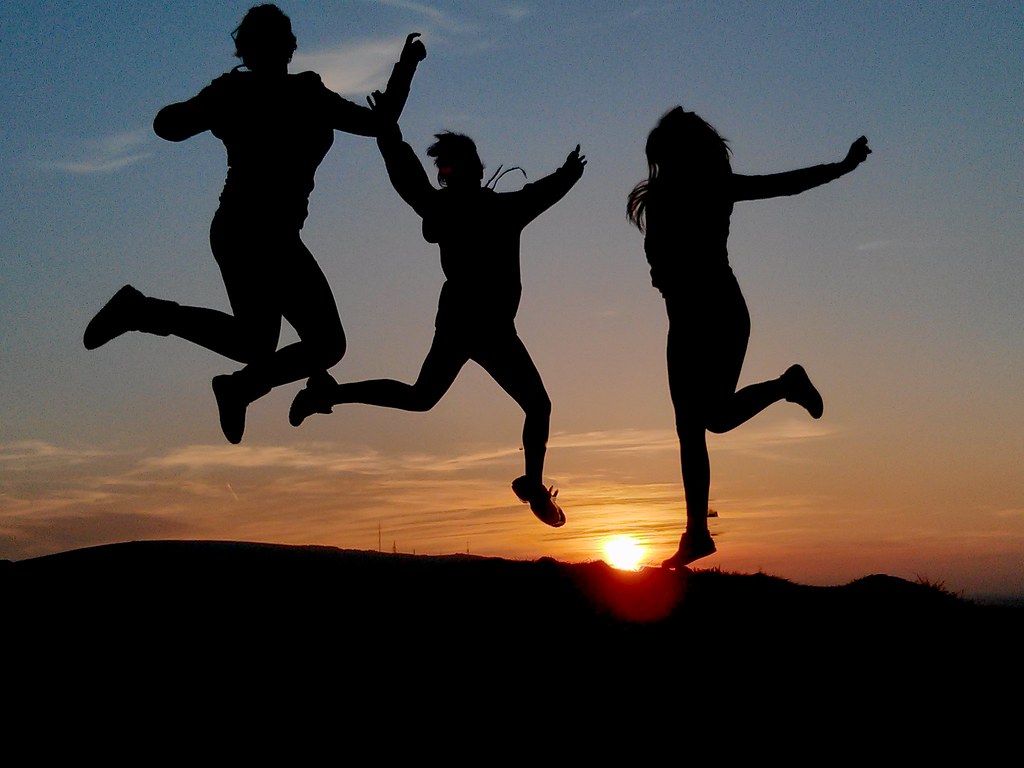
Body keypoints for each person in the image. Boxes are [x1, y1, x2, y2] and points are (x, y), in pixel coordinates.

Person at [83, 5, 427, 444]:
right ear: (274, 47)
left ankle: (219, 371)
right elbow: (167, 125)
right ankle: (214, 367)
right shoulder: (269, 93)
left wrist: (406, 68)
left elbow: (379, 122)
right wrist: (200, 108)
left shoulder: (300, 93)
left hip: (269, 235)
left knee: (266, 345)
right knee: (315, 345)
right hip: (248, 233)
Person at [290, 107, 586, 527]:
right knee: (533, 405)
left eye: (447, 167)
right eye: (445, 169)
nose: (446, 174)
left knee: (424, 397)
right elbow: (415, 180)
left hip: (469, 325)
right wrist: (568, 174)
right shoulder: (489, 209)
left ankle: (328, 395)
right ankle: (534, 487)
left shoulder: (459, 208)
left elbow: (411, 180)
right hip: (484, 328)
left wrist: (389, 137)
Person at [627, 106, 870, 568]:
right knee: (688, 426)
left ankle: (786, 384)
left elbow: (785, 183)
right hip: (681, 319)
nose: (661, 164)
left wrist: (842, 166)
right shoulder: (657, 196)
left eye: (667, 154)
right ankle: (696, 532)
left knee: (712, 419)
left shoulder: (716, 186)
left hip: (719, 313)